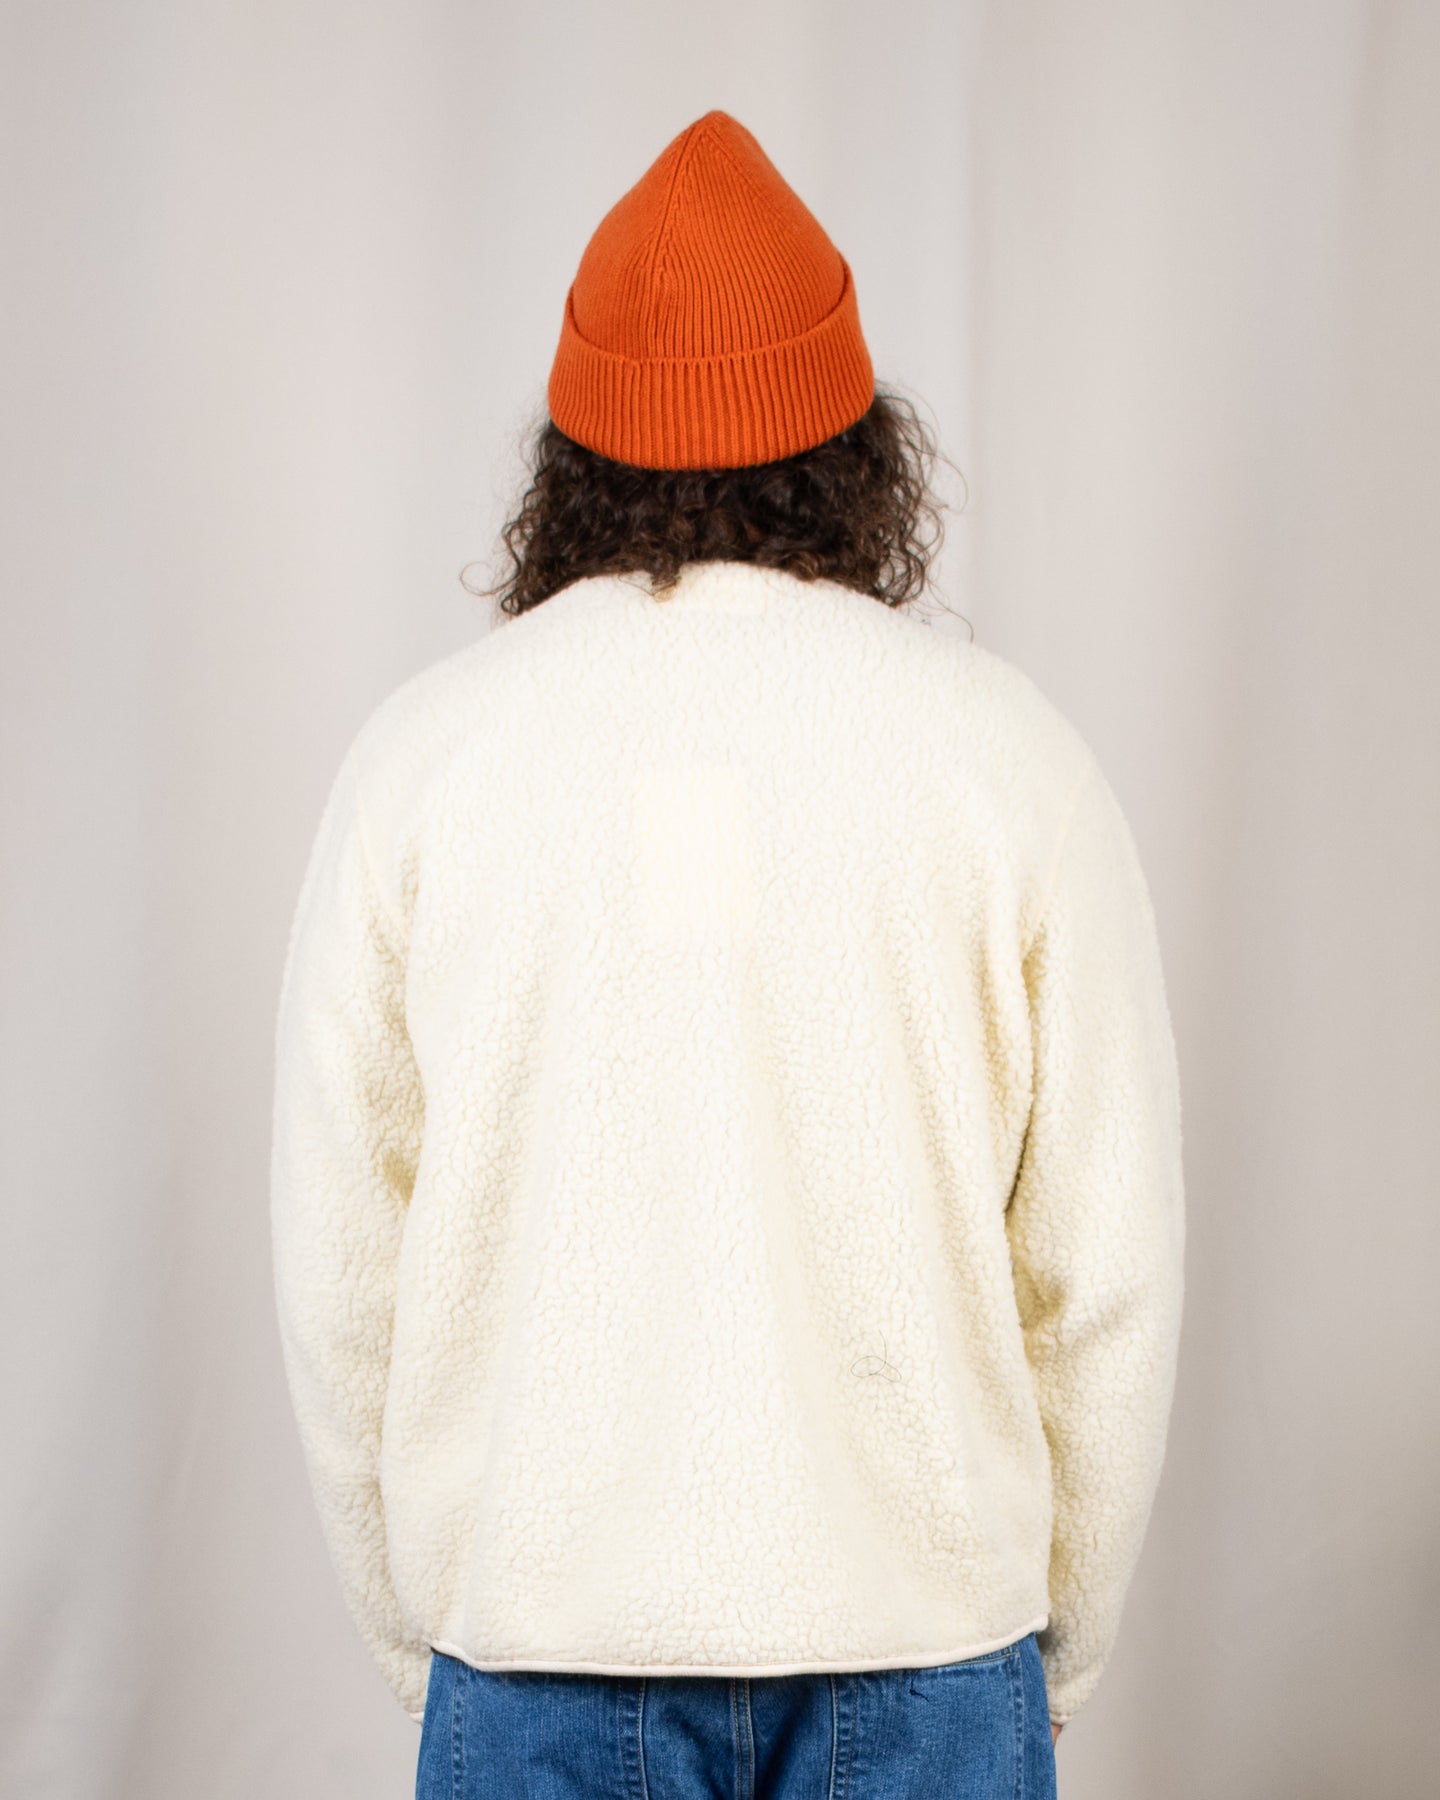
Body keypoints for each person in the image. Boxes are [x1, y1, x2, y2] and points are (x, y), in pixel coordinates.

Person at [270, 108, 1185, 1800]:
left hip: (533, 1650)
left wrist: (430, 1631)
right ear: (856, 445)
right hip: (931, 1655)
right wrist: (1051, 1647)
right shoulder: (1009, 761)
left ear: (573, 451)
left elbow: (343, 1266)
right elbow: (1103, 1271)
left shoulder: (425, 766)